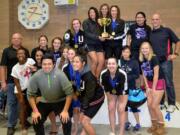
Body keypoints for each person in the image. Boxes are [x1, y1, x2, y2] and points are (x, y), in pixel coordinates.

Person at [27, 53, 73, 135]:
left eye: (49, 64)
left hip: (60, 101)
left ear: (54, 64)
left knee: (66, 120)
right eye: (44, 64)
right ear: (41, 64)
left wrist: (65, 111)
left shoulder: (60, 74)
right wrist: (35, 111)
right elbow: (30, 95)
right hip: (45, 101)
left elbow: (69, 93)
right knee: (36, 119)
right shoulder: (36, 76)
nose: (47, 66)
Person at [150, 13, 180, 112]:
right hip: (155, 63)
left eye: (157, 19)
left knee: (168, 83)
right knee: (159, 83)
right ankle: (161, 103)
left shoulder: (167, 31)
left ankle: (171, 103)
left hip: (166, 61)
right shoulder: (150, 33)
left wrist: (175, 53)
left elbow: (178, 41)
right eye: (153, 19)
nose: (155, 21)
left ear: (160, 20)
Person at [0, 33, 29, 135]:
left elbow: (28, 65)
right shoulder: (6, 51)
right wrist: (3, 81)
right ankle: (10, 125)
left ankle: (23, 121)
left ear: (21, 40)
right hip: (11, 82)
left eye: (18, 38)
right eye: (14, 38)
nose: (16, 40)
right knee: (12, 104)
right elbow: (3, 66)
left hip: (24, 83)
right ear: (11, 40)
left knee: (23, 104)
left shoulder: (25, 51)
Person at [73, 53, 105, 135]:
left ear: (83, 63)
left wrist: (82, 110)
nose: (74, 64)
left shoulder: (89, 76)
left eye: (77, 62)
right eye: (73, 61)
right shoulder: (77, 72)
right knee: (83, 121)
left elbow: (89, 95)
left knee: (84, 121)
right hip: (86, 98)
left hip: (96, 99)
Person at [139, 42, 166, 135]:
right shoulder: (141, 59)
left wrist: (153, 89)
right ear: (141, 50)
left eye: (146, 48)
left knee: (154, 105)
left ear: (150, 49)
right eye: (143, 48)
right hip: (149, 83)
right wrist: (147, 86)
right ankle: (154, 125)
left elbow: (156, 75)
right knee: (149, 105)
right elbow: (144, 73)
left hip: (158, 82)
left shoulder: (154, 58)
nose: (144, 50)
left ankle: (161, 126)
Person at [100, 57, 128, 135]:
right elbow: (106, 89)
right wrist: (110, 101)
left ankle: (121, 133)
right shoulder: (103, 74)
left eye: (113, 64)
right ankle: (113, 131)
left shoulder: (122, 74)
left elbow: (122, 91)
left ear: (117, 65)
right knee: (111, 108)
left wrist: (121, 104)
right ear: (107, 65)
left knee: (121, 109)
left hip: (122, 92)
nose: (111, 66)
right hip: (110, 91)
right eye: (109, 64)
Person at [11, 48, 35, 135]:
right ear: (17, 55)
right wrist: (21, 97)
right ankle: (23, 128)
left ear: (25, 54)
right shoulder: (15, 68)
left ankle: (32, 123)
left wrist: (33, 68)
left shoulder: (30, 61)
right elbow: (17, 84)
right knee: (22, 107)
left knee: (32, 107)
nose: (21, 55)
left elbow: (37, 70)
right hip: (20, 89)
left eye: (22, 53)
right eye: (19, 54)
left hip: (30, 89)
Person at [118, 46, 141, 132]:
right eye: (124, 52)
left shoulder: (134, 62)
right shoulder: (119, 62)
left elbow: (137, 75)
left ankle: (138, 123)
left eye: (127, 52)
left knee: (134, 106)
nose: (125, 53)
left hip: (131, 87)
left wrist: (126, 77)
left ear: (130, 53)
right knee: (125, 107)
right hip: (122, 88)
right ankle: (127, 122)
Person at [83, 7, 105, 79]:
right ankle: (92, 79)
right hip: (89, 44)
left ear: (96, 13)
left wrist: (103, 38)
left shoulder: (99, 22)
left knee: (101, 61)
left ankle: (96, 78)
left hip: (98, 44)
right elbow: (86, 33)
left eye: (93, 12)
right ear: (89, 14)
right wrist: (98, 37)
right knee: (95, 61)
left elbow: (103, 32)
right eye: (90, 12)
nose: (92, 14)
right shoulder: (86, 22)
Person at [62, 48, 80, 135]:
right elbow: (64, 82)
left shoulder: (79, 66)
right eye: (68, 54)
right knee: (70, 110)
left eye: (72, 54)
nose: (70, 56)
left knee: (76, 110)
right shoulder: (65, 67)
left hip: (78, 92)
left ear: (75, 55)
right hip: (69, 93)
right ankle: (71, 125)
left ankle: (76, 127)